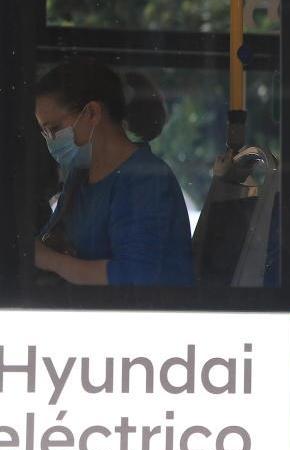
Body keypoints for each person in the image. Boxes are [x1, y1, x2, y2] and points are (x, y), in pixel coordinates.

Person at [33, 58, 194, 286]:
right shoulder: (79, 178)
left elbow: (134, 278)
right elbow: (50, 241)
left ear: (91, 113)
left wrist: (51, 261)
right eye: (44, 133)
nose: (50, 141)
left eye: (54, 129)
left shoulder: (145, 180)